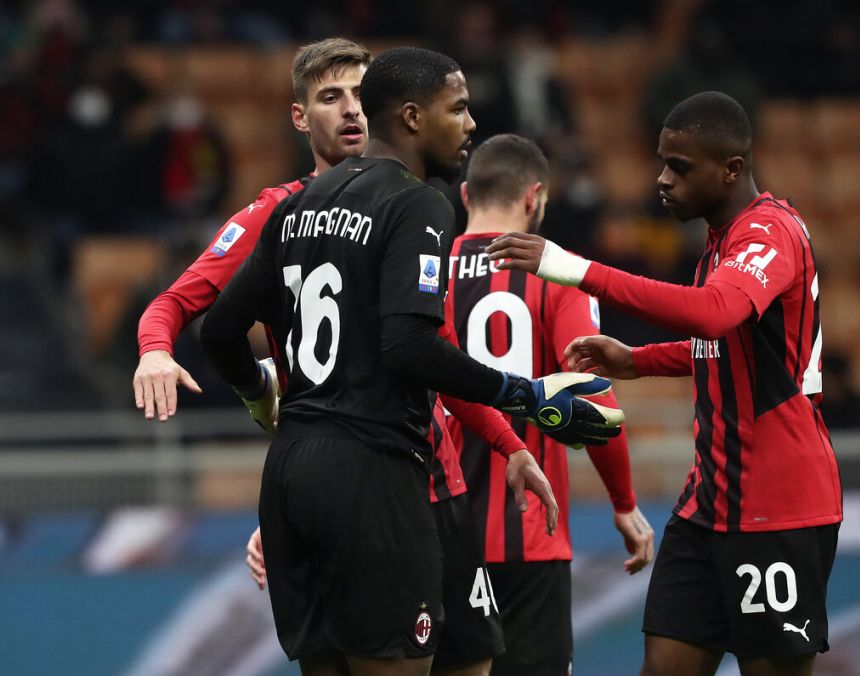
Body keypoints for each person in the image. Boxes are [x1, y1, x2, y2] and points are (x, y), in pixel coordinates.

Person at [131, 39, 562, 676]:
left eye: (363, 95)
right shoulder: (283, 209)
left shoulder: (381, 207)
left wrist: (509, 444)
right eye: (332, 98)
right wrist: (155, 353)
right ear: (301, 117)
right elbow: (177, 305)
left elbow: (427, 351)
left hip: (425, 480)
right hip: (374, 477)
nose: (352, 111)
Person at [486, 91, 843, 676]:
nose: (662, 180)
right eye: (662, 162)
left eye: (679, 167)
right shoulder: (721, 241)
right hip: (709, 503)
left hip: (779, 507)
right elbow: (728, 345)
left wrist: (575, 269)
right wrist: (638, 360)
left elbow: (712, 314)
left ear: (730, 170)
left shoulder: (770, 235)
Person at [443, 133, 655, 676]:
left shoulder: (419, 272)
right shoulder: (559, 274)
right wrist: (624, 503)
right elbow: (595, 397)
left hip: (435, 531)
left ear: (465, 195)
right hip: (529, 536)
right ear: (535, 197)